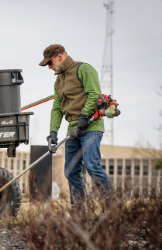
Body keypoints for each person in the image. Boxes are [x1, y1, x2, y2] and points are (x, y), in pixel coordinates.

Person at [39, 44, 111, 208]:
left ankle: (112, 205)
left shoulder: (84, 69)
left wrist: (84, 117)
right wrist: (53, 131)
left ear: (59, 56)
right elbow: (57, 108)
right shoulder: (58, 81)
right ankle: (78, 211)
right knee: (70, 171)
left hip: (91, 127)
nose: (49, 68)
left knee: (92, 166)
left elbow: (94, 94)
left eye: (49, 63)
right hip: (73, 130)